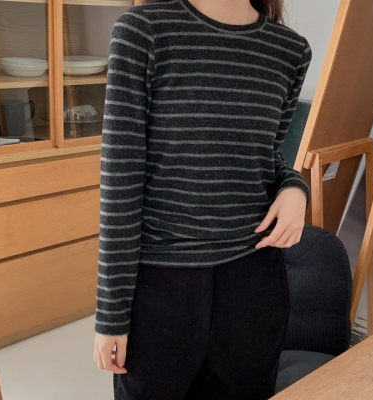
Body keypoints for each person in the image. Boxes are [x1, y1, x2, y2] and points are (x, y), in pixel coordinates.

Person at [94, 0, 312, 398]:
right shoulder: (144, 32)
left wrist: (295, 186)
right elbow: (121, 181)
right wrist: (111, 313)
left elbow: (265, 155)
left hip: (254, 280)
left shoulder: (291, 51)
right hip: (161, 284)